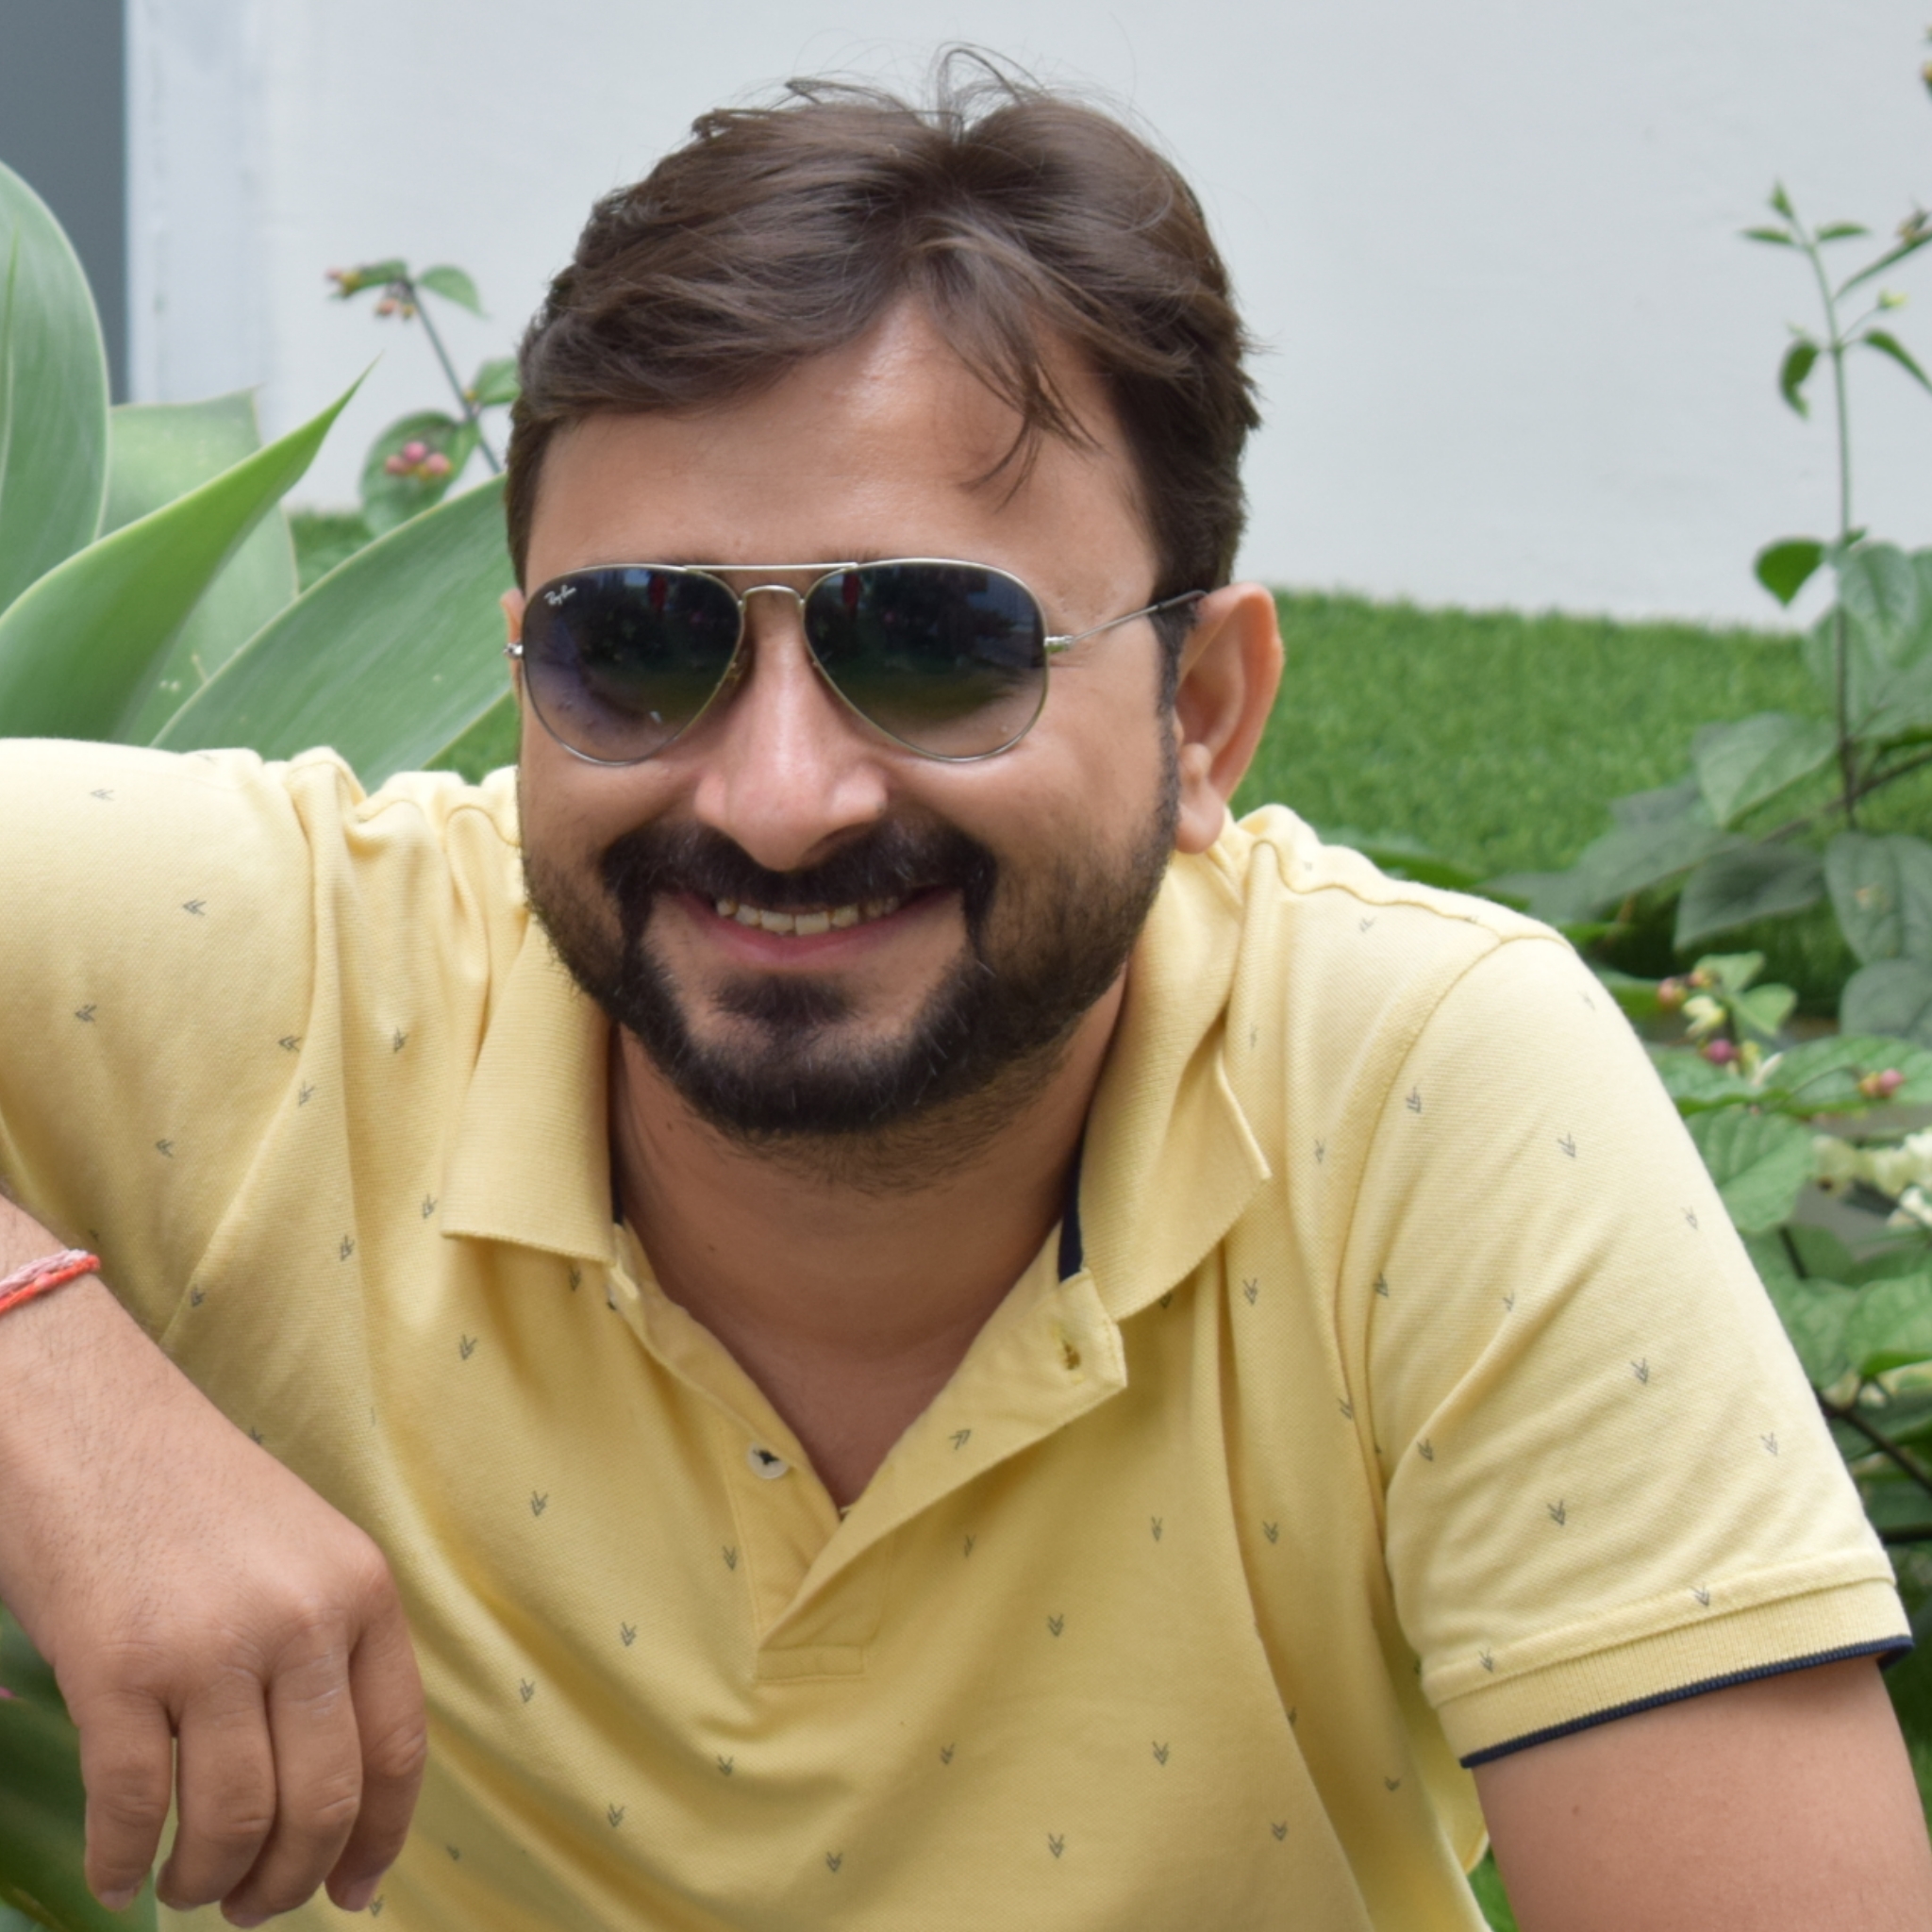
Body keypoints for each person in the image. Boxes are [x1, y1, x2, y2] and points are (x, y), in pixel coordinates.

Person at [0, 58, 1928, 1932]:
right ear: (524, 675)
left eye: (931, 645)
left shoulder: (1419, 1089)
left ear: (1200, 714)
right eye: (639, 645)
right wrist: (47, 1368)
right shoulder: (303, 970)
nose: (777, 798)